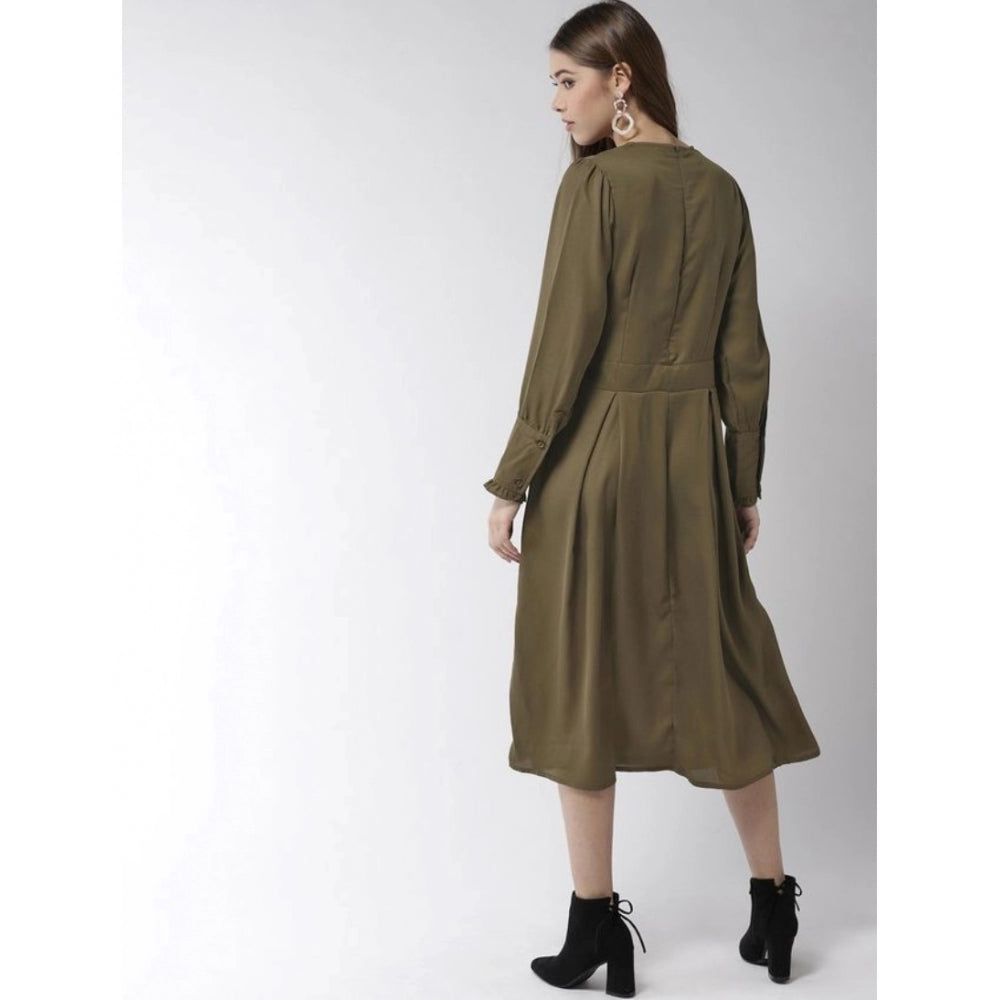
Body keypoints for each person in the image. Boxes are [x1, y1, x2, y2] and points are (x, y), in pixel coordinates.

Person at [482, 2, 821, 995]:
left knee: (578, 678)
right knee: (720, 675)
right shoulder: (720, 190)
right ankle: (773, 901)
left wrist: (511, 479)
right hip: (687, 474)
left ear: (620, 77)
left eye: (567, 80)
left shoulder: (594, 188)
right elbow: (745, 358)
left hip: (591, 468)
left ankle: (595, 925)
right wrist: (740, 482)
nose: (556, 103)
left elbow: (562, 349)